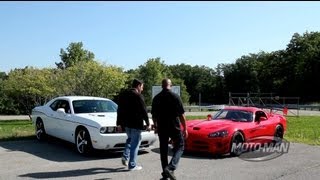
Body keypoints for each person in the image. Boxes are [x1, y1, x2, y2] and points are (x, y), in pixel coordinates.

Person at [151, 78, 188, 180]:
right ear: (170, 85)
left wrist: (156, 126)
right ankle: (170, 168)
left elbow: (153, 115)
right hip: (174, 126)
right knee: (180, 146)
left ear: (162, 86)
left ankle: (165, 173)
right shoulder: (175, 97)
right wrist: (185, 128)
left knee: (163, 151)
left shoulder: (156, 98)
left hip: (162, 127)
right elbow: (181, 115)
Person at [116, 79, 151, 171]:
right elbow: (144, 111)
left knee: (130, 139)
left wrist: (119, 123)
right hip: (136, 124)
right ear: (138, 86)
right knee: (135, 144)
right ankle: (132, 165)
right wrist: (147, 123)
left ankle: (125, 156)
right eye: (142, 87)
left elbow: (119, 110)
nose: (142, 89)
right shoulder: (138, 96)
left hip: (126, 124)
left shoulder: (123, 94)